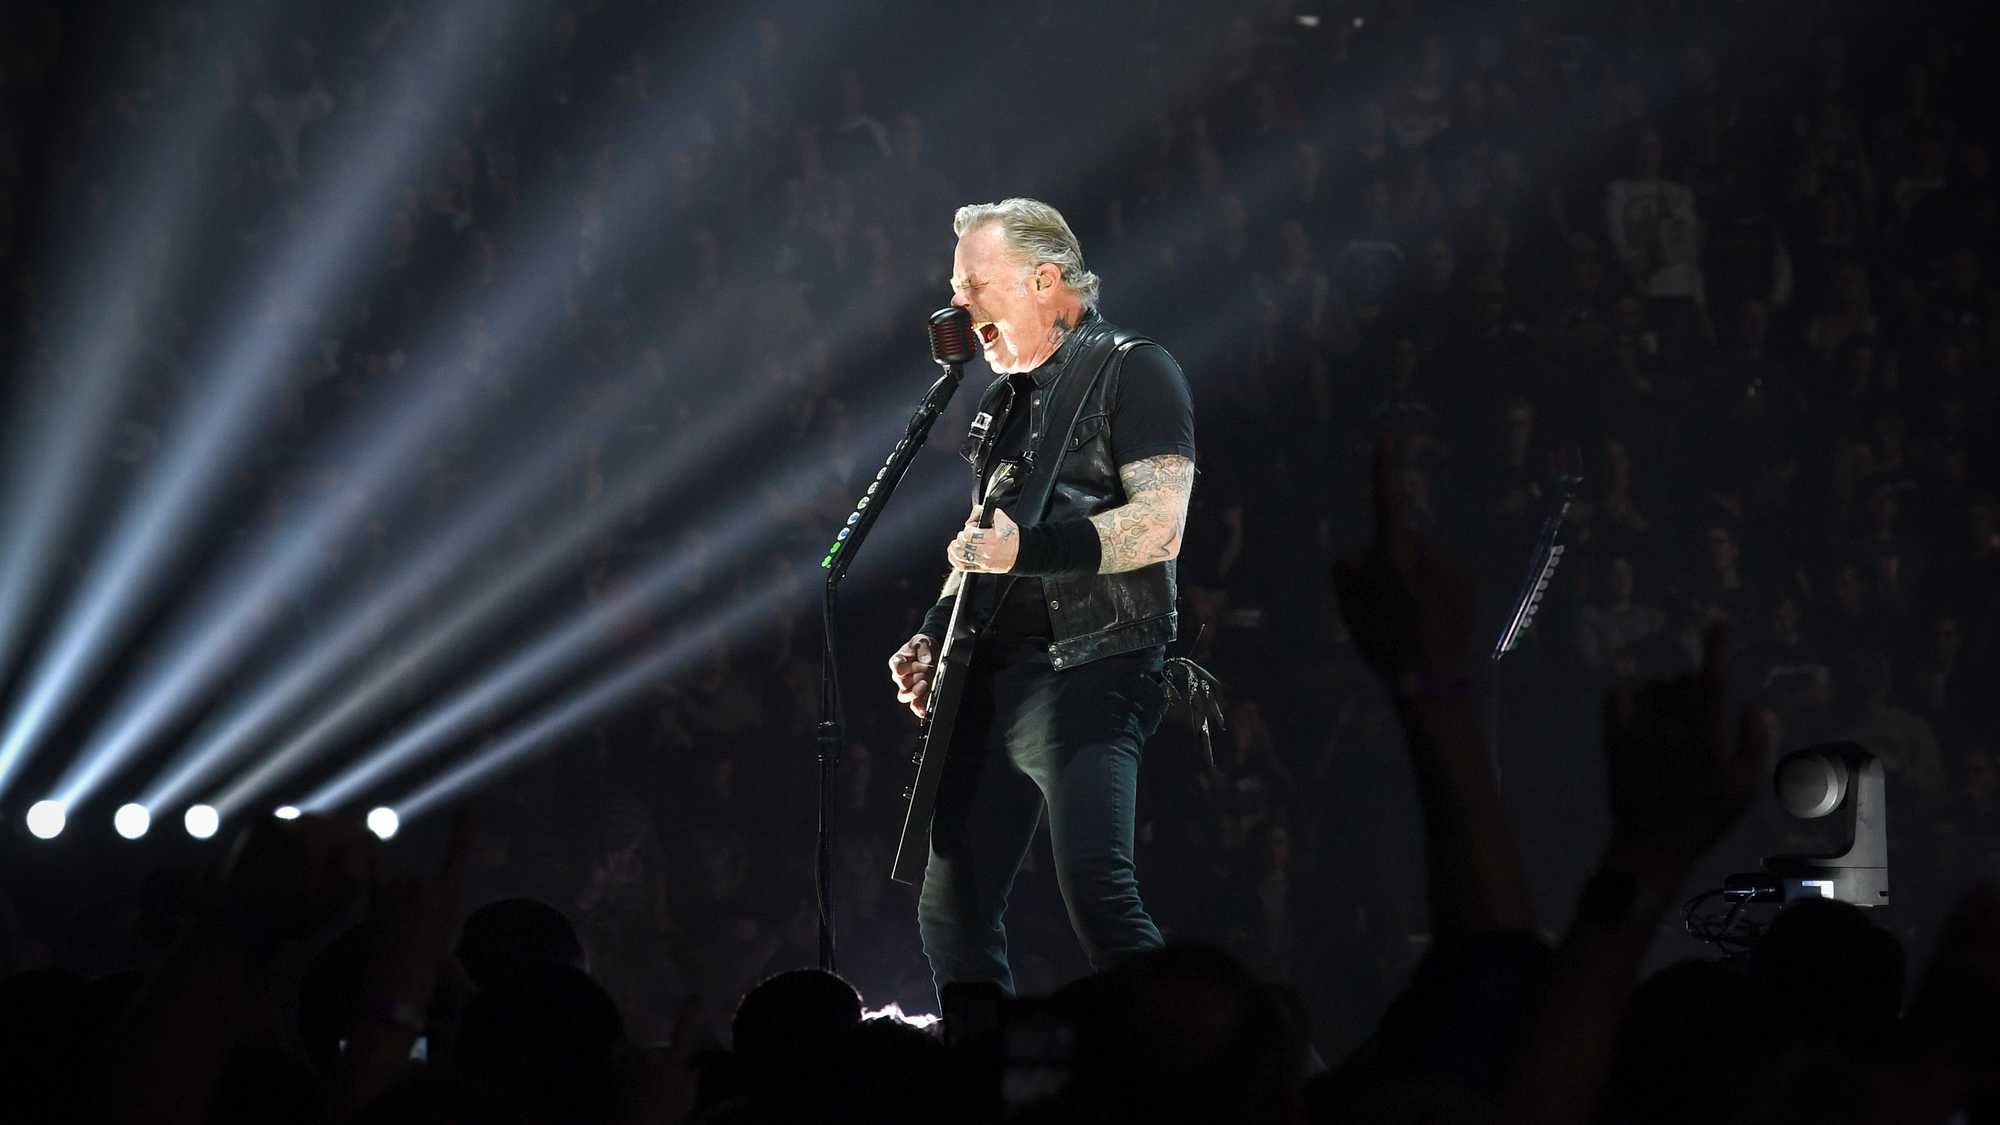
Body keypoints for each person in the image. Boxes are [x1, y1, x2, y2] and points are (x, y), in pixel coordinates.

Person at [886, 198, 1196, 1000]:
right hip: (995, 673)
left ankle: (1197, 1048)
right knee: (950, 911)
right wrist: (932, 631)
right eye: (955, 292)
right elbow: (980, 539)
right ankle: (983, 1059)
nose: (958, 309)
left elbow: (1160, 526)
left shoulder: (1135, 368)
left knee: (1098, 892)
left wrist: (1027, 551)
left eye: (974, 288)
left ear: (1045, 280)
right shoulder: (1005, 401)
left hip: (1093, 665)